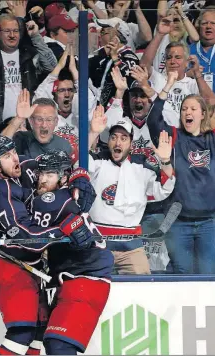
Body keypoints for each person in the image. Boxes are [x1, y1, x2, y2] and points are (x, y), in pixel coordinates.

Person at [0, 135, 97, 355]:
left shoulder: (23, 163)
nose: (14, 158)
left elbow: (59, 163)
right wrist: (63, 230)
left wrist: (80, 176)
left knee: (39, 332)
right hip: (6, 261)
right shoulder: (1, 194)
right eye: (6, 156)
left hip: (30, 265)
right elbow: (29, 240)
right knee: (22, 331)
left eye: (13, 151)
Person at [29, 149, 113, 355]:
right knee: (51, 343)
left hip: (87, 279)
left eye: (49, 175)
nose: (42, 180)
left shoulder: (50, 200)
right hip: (72, 277)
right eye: (41, 174)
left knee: (59, 345)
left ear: (62, 178)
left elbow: (27, 232)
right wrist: (80, 173)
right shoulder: (68, 194)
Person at [87, 106, 176, 274]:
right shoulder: (98, 161)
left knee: (143, 288)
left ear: (131, 143)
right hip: (98, 244)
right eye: (113, 137)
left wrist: (165, 161)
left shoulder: (142, 167)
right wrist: (92, 133)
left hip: (131, 247)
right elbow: (80, 165)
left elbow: (164, 189)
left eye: (123, 138)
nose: (118, 142)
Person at [146, 70, 215, 274]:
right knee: (181, 273)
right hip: (178, 222)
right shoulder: (173, 136)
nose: (187, 112)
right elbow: (153, 120)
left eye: (193, 108)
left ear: (202, 114)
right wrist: (167, 85)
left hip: (209, 222)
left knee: (208, 274)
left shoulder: (211, 139)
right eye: (184, 109)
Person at [0, 13, 57, 126]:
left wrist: (36, 36)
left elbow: (51, 66)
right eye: (7, 31)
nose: (12, 35)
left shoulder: (30, 54)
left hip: (27, 123)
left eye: (16, 31)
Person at [140, 15, 215, 127]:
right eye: (169, 57)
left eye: (178, 57)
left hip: (185, 135)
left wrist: (197, 74)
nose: (172, 61)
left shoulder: (192, 84)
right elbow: (144, 65)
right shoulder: (158, 78)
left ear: (186, 62)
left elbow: (210, 102)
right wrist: (160, 34)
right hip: (160, 132)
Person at [34, 46, 97, 163]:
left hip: (79, 164)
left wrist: (74, 70)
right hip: (53, 166)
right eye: (62, 90)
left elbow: (89, 99)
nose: (67, 94)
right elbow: (39, 96)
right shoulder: (49, 118)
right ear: (54, 94)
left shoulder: (81, 115)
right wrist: (58, 67)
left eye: (70, 90)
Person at [1, 90, 72, 160]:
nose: (44, 125)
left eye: (49, 120)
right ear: (31, 121)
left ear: (56, 121)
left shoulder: (63, 146)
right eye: (39, 119)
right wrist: (19, 118)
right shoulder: (21, 139)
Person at [154, 1, 199, 74]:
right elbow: (161, 14)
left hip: (180, 81)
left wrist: (182, 14)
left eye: (176, 19)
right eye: (170, 14)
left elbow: (195, 38)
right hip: (160, 80)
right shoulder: (162, 34)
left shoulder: (184, 38)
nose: (173, 17)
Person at [189, 8, 215, 92]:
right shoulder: (187, 50)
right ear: (198, 27)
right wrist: (187, 74)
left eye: (213, 23)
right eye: (204, 23)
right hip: (193, 102)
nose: (208, 26)